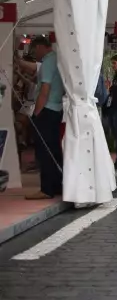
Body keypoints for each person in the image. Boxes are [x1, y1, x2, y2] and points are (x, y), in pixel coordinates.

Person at [25, 36, 65, 200]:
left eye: (34, 51)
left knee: (44, 151)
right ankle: (57, 185)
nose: (35, 55)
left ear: (40, 47)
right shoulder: (57, 59)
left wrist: (37, 112)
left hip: (47, 109)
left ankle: (46, 189)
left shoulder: (48, 61)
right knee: (54, 149)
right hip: (56, 108)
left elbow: (45, 89)